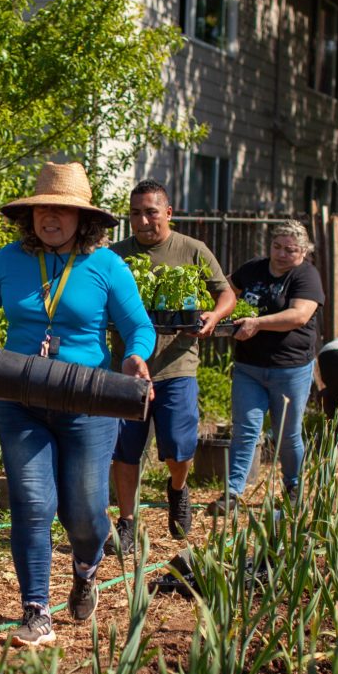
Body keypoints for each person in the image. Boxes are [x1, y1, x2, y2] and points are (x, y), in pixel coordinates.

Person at [0, 161, 154, 647]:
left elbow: (138, 326)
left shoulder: (106, 266)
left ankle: (86, 568)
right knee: (33, 503)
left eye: (62, 211)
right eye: (42, 210)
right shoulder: (9, 261)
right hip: (21, 398)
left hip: (86, 403)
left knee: (85, 514)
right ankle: (36, 610)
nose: (50, 218)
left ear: (84, 219)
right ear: (29, 216)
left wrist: (136, 357)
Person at [106, 180, 236, 553]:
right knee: (125, 449)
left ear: (168, 212)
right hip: (127, 368)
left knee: (178, 449)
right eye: (135, 213)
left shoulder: (191, 250)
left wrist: (215, 315)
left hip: (177, 363)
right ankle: (127, 522)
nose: (143, 220)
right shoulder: (116, 256)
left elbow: (225, 293)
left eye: (151, 212)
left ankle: (177, 488)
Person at [207, 219, 324, 516]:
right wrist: (218, 310)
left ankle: (293, 487)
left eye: (290, 249)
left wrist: (256, 323)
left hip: (290, 369)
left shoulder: (306, 276)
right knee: (245, 430)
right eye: (277, 246)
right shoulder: (254, 269)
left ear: (304, 251)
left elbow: (299, 315)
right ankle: (232, 493)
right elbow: (225, 290)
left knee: (287, 433)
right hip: (249, 367)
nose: (282, 254)